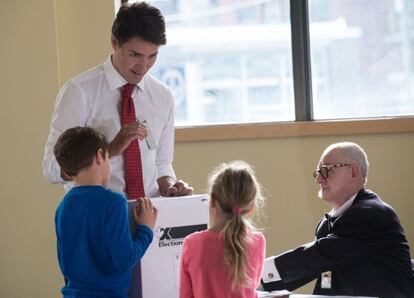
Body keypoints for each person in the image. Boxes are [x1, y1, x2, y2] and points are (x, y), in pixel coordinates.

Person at [42, 1, 192, 198]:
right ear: (114, 42)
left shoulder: (163, 97)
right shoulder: (79, 92)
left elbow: (162, 164)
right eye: (135, 55)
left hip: (150, 220)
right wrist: (109, 149)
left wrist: (170, 186)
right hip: (97, 218)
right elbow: (51, 168)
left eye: (152, 56)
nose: (143, 66)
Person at [262, 142, 414, 297]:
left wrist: (252, 273)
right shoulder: (331, 220)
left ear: (353, 172)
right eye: (318, 172)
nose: (319, 179)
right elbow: (310, 267)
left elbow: (316, 256)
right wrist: (256, 286)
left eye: (327, 170)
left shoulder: (372, 214)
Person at [54, 126, 158, 298]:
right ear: (99, 155)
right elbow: (124, 260)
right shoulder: (114, 202)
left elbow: (65, 266)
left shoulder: (63, 207)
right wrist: (146, 230)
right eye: (109, 157)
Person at [180, 161, 266, 298]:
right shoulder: (258, 241)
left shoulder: (192, 243)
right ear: (251, 207)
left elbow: (185, 295)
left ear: (213, 200)